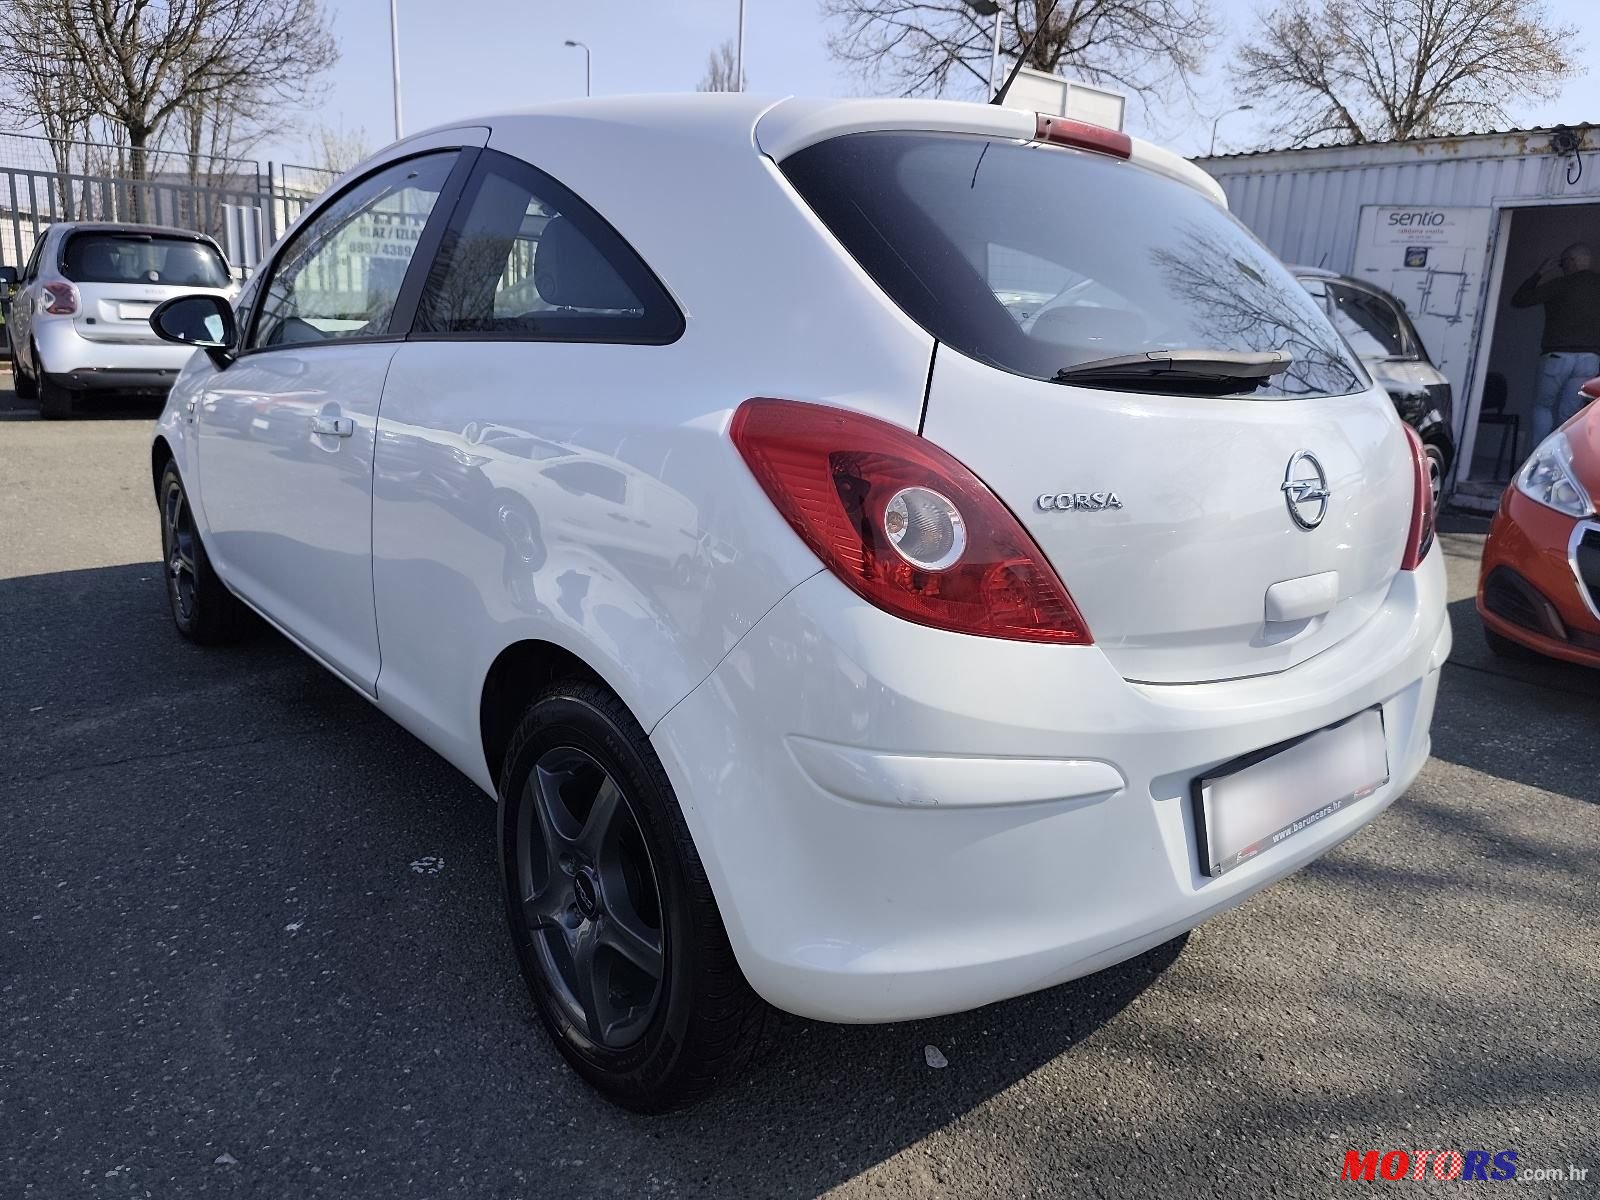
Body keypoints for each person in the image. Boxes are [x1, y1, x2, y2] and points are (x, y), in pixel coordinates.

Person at [1510, 242, 1600, 445]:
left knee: (1543, 407)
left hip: (1556, 356)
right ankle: (1561, 461)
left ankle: (1537, 459)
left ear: (1571, 261)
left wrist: (1539, 273)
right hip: (1590, 359)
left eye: (1562, 264)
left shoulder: (1561, 284)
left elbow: (1519, 300)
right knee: (1571, 414)